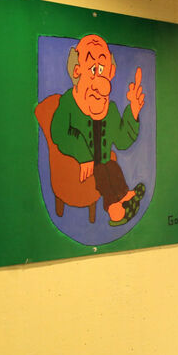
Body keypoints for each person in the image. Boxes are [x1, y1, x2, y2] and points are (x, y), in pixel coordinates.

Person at [50, 34, 146, 226]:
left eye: (102, 69)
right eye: (93, 69)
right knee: (102, 173)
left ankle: (125, 197)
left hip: (103, 162)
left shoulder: (109, 109)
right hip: (76, 168)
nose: (99, 78)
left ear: (110, 72)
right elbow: (58, 132)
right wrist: (83, 155)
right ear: (77, 71)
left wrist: (133, 112)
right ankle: (115, 211)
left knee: (111, 167)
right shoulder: (69, 103)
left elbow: (122, 141)